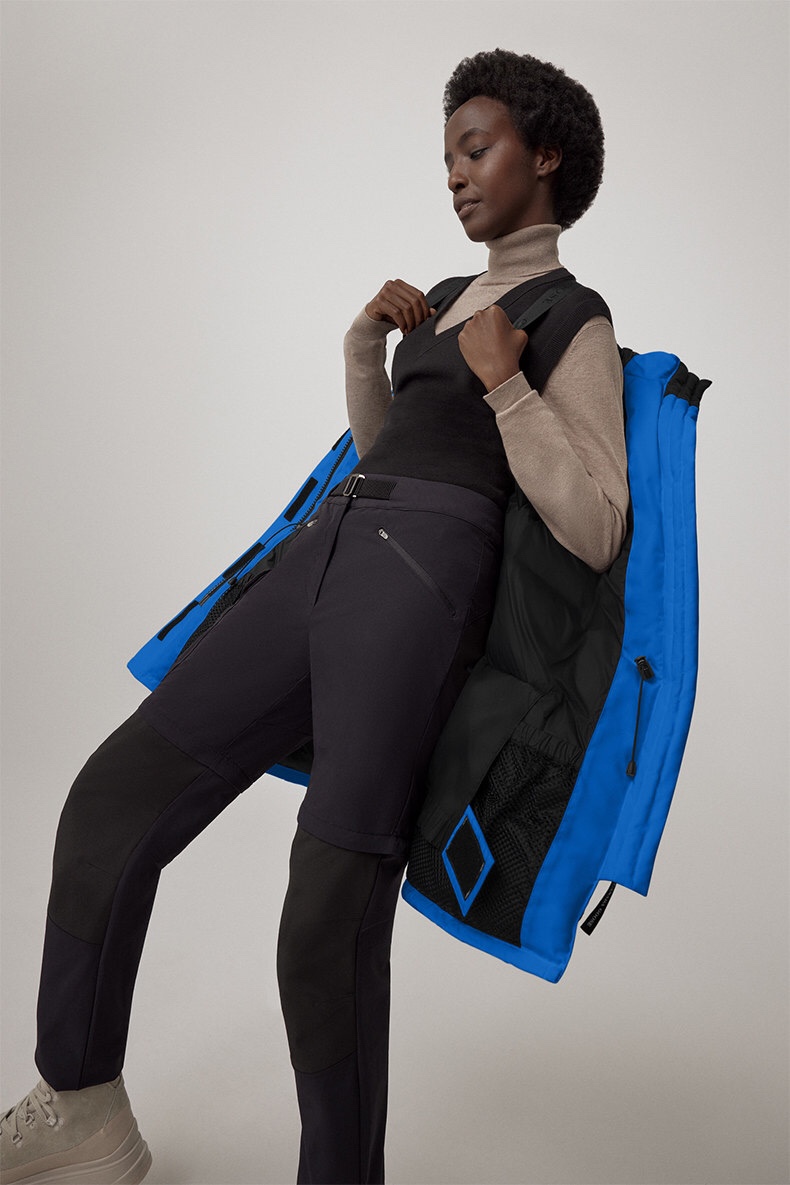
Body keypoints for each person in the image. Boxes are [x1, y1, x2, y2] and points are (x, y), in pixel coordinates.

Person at [0, 47, 628, 1185]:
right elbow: (387, 453)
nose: (454, 173)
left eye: (475, 148)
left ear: (546, 156)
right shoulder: (443, 298)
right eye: (446, 156)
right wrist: (362, 350)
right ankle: (82, 1105)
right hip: (329, 547)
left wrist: (507, 382)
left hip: (421, 587)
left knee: (323, 915)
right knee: (110, 796)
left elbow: (593, 524)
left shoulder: (570, 315)